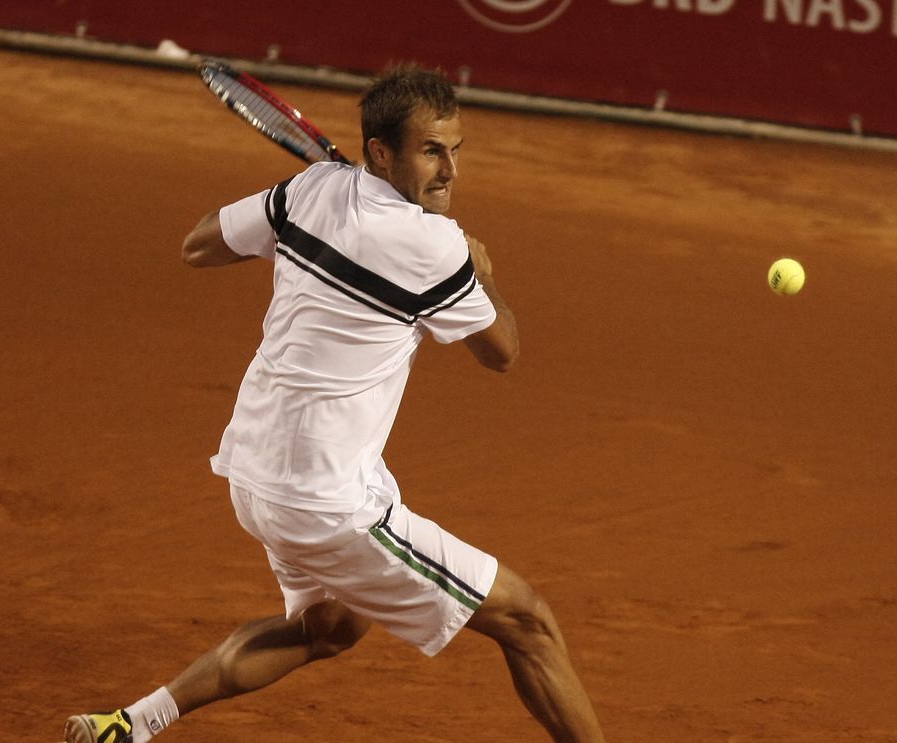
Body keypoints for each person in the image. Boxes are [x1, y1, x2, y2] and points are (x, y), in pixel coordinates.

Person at [62, 64, 604, 743]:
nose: (450, 170)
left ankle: (130, 724)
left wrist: (311, 206)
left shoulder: (307, 190)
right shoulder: (432, 246)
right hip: (327, 501)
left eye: (456, 150)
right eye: (432, 151)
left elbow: (198, 244)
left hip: (255, 476)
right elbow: (503, 351)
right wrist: (482, 271)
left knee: (330, 628)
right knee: (526, 620)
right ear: (381, 152)